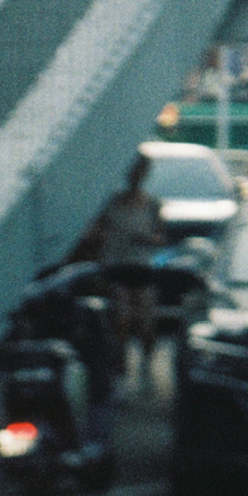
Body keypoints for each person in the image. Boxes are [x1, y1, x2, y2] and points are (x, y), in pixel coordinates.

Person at [82, 152, 163, 384]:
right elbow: (95, 232)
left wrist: (146, 239)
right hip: (116, 266)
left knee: (146, 322)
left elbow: (161, 237)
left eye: (141, 171)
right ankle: (121, 369)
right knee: (121, 319)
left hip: (142, 267)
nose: (136, 175)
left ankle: (147, 365)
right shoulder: (111, 203)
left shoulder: (152, 204)